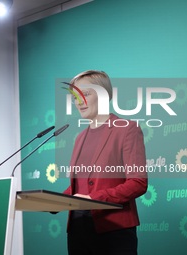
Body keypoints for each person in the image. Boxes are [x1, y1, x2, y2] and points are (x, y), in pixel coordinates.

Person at [63, 70, 148, 255]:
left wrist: (95, 200)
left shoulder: (127, 129)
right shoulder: (79, 137)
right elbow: (81, 188)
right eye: (75, 96)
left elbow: (138, 182)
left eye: (85, 94)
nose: (78, 102)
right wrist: (55, 201)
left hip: (113, 230)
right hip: (78, 228)